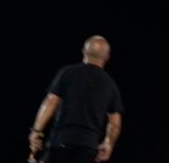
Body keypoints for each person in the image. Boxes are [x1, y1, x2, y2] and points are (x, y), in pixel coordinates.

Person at [28, 35, 124, 163]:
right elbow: (115, 122)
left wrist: (36, 130)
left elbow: (50, 102)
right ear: (107, 57)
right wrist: (108, 144)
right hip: (88, 147)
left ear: (84, 51)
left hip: (62, 141)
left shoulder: (67, 73)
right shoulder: (110, 85)